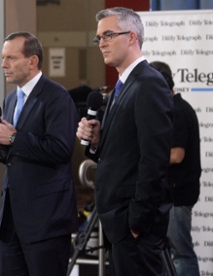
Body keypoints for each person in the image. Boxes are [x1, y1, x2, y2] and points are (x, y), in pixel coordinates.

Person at [76, 7, 173, 276]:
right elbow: (124, 151)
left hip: (134, 226)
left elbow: (154, 160)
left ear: (132, 37)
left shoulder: (148, 84)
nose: (101, 43)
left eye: (108, 35)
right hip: (118, 223)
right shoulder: (123, 85)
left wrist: (137, 221)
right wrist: (96, 141)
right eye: (98, 38)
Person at [0, 32, 78, 276]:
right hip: (12, 219)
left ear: (32, 61)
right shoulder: (9, 100)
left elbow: (60, 149)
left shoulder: (57, 97)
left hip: (45, 220)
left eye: (11, 58)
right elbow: (14, 155)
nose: (3, 64)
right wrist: (3, 146)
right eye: (2, 57)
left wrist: (14, 138)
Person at [150, 61, 201, 276]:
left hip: (176, 194)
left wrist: (146, 158)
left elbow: (177, 154)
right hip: (170, 193)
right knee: (170, 253)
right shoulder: (173, 109)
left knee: (181, 254)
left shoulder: (177, 111)